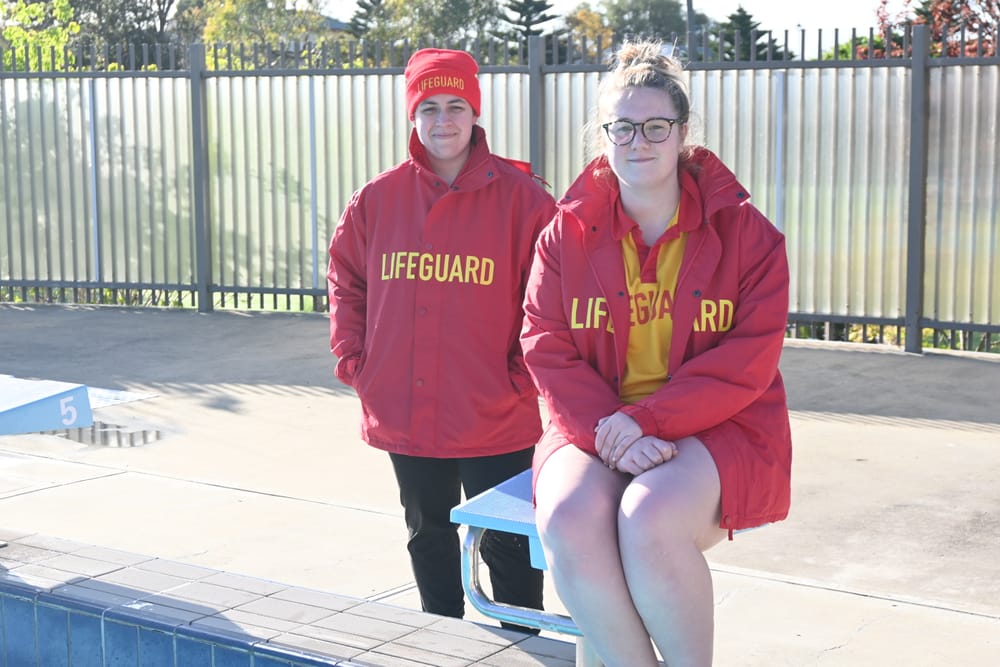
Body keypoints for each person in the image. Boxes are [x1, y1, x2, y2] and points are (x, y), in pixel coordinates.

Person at [520, 40, 792, 666]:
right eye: (622, 127)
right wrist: (610, 427)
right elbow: (545, 342)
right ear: (602, 134)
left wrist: (644, 421)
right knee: (567, 517)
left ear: (682, 133)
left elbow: (747, 361)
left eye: (655, 126)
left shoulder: (747, 236)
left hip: (716, 427)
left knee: (648, 520)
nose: (637, 141)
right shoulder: (565, 234)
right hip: (591, 422)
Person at [327, 48, 556, 631]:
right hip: (407, 402)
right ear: (412, 116)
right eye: (428, 107)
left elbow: (552, 297)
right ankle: (440, 638)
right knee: (427, 531)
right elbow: (345, 279)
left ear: (475, 113)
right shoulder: (378, 200)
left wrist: (521, 374)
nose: (443, 120)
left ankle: (518, 640)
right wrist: (357, 359)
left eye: (456, 105)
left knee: (508, 538)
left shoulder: (525, 200)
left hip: (493, 408)